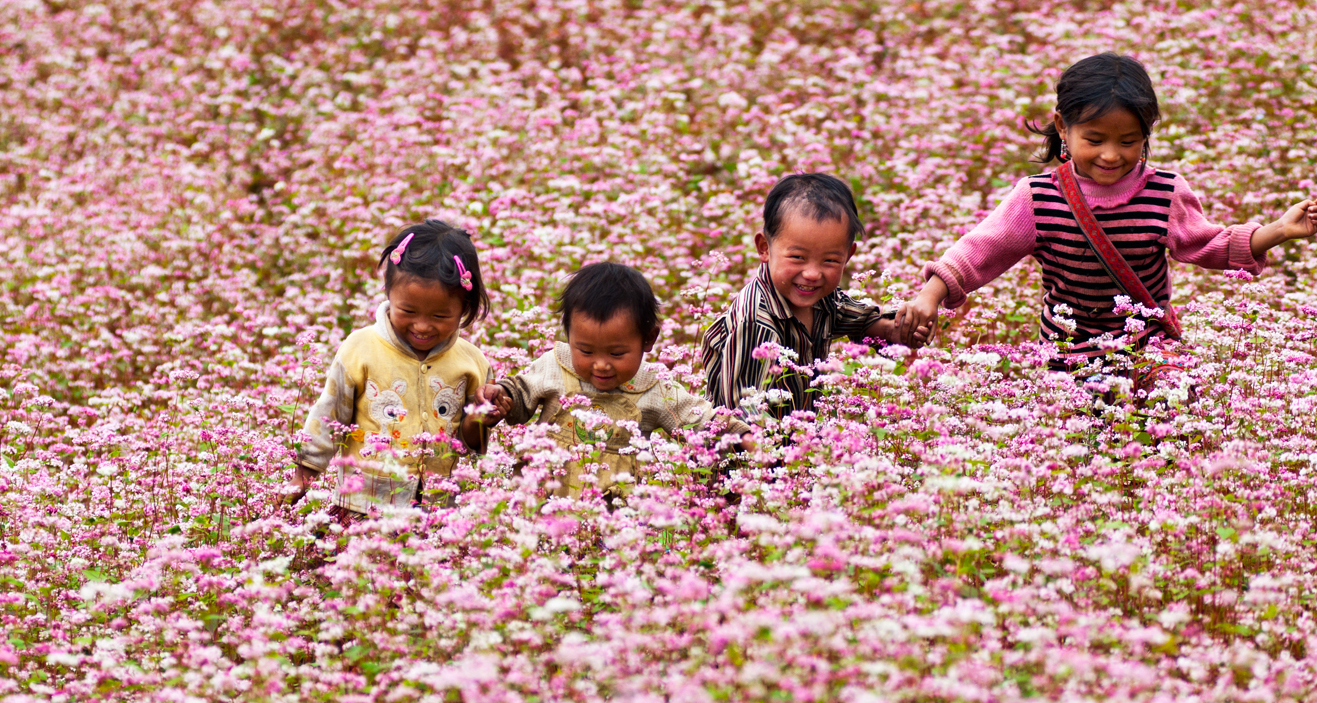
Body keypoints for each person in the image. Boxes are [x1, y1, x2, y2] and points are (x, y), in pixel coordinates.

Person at [902, 52, 1317, 389]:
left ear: (1147, 134)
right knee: (1077, 440)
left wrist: (1279, 231)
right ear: (1062, 128)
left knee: (1173, 414)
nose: (1111, 155)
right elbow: (980, 249)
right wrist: (930, 295)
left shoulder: (1166, 191)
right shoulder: (1037, 197)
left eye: (1128, 141)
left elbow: (1208, 243)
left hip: (1148, 344)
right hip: (1068, 348)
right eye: (1094, 139)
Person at [293, 219, 506, 513]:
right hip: (364, 504)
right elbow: (329, 415)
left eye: (441, 316)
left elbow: (469, 443)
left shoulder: (472, 362)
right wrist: (303, 476)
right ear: (388, 294)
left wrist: (482, 417)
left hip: (440, 510)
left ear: (465, 307)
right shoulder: (360, 348)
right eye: (408, 310)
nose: (422, 326)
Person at [488, 262, 751, 497]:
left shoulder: (653, 384)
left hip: (614, 510)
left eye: (616, 353)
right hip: (543, 495)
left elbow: (699, 419)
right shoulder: (555, 363)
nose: (601, 364)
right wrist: (501, 397)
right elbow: (521, 392)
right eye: (586, 351)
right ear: (568, 335)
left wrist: (742, 436)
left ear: (648, 339)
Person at [701, 173, 931, 418]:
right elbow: (741, 412)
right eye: (797, 257)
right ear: (764, 248)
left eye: (830, 260)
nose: (812, 274)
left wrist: (891, 330)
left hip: (803, 443)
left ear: (848, 256)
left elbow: (856, 317)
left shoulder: (823, 298)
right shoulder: (756, 322)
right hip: (755, 448)